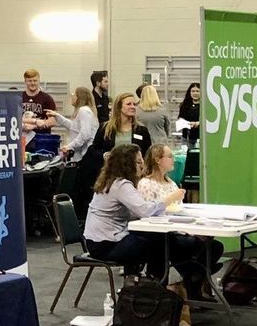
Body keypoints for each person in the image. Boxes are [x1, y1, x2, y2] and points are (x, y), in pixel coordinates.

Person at [83, 143, 175, 279]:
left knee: (156, 240)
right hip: (105, 244)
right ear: (127, 164)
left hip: (97, 241)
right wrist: (167, 200)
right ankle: (154, 288)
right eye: (138, 162)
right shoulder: (121, 185)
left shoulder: (111, 181)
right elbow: (144, 210)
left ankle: (146, 285)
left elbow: (135, 211)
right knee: (159, 245)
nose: (142, 166)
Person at [139, 143, 214, 299]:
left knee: (213, 246)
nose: (174, 160)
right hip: (162, 232)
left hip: (180, 227)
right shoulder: (146, 184)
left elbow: (178, 208)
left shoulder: (171, 183)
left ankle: (193, 278)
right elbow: (147, 213)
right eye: (170, 156)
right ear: (158, 160)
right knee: (195, 247)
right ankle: (193, 277)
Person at [53, 84, 98, 161]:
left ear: (79, 97)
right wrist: (56, 116)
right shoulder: (83, 111)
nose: (72, 96)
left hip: (85, 156)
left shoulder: (84, 110)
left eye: (74, 94)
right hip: (82, 155)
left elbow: (85, 134)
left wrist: (69, 146)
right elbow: (74, 127)